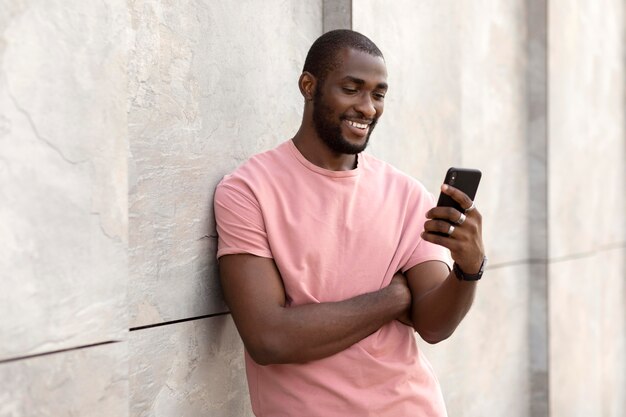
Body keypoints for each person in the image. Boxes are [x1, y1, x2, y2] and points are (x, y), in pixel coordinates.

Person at [214, 29, 486, 417]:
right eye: (352, 89)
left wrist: (468, 269)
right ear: (309, 86)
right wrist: (394, 297)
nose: (368, 108)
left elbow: (434, 326)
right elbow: (269, 338)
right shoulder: (248, 191)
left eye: (378, 94)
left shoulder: (406, 195)